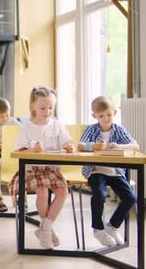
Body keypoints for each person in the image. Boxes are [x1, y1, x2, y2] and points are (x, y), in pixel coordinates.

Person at [8, 85, 74, 249]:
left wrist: (68, 146)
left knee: (63, 191)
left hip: (50, 169)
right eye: (43, 108)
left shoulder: (56, 125)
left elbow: (67, 142)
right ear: (33, 107)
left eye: (51, 107)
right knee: (43, 191)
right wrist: (32, 149)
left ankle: (45, 227)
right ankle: (46, 231)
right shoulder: (27, 127)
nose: (48, 111)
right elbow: (19, 151)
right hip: (31, 168)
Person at [77, 96, 138, 246]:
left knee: (131, 198)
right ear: (94, 116)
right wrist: (95, 146)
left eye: (109, 115)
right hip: (96, 170)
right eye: (101, 116)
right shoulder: (91, 129)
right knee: (99, 194)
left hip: (115, 171)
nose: (105, 118)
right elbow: (80, 145)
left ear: (114, 113)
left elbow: (135, 145)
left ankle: (112, 226)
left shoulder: (119, 129)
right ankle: (98, 229)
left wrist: (119, 146)